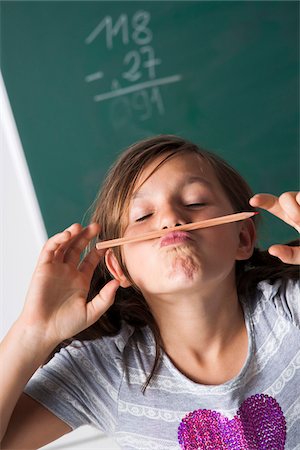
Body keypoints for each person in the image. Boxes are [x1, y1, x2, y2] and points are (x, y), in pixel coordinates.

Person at [1, 135, 299, 450]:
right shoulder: (105, 370)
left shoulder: (290, 310)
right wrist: (32, 332)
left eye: (195, 202)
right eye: (143, 216)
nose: (170, 219)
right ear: (119, 268)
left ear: (243, 237)